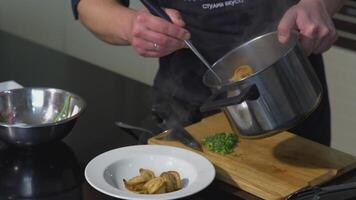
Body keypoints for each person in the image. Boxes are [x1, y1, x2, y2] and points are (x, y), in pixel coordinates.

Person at [72, 0, 346, 146]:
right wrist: (131, 25)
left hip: (292, 96)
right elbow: (90, 4)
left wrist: (318, 4)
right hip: (189, 113)